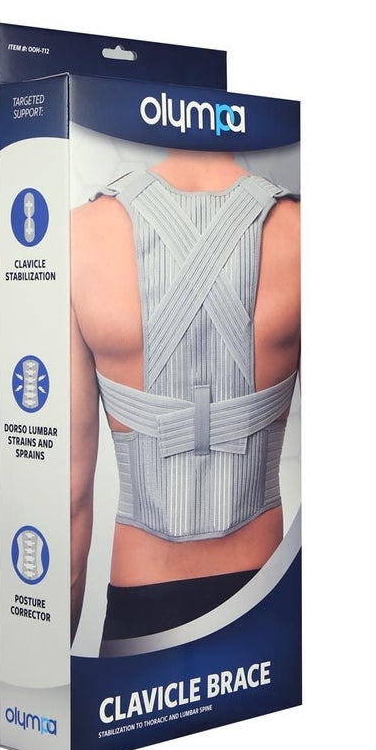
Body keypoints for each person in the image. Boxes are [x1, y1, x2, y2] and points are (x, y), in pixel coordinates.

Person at [70, 149, 300, 647]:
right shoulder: (300, 233)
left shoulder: (78, 237)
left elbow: (70, 493)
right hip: (267, 590)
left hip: (141, 597)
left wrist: (54, 671)